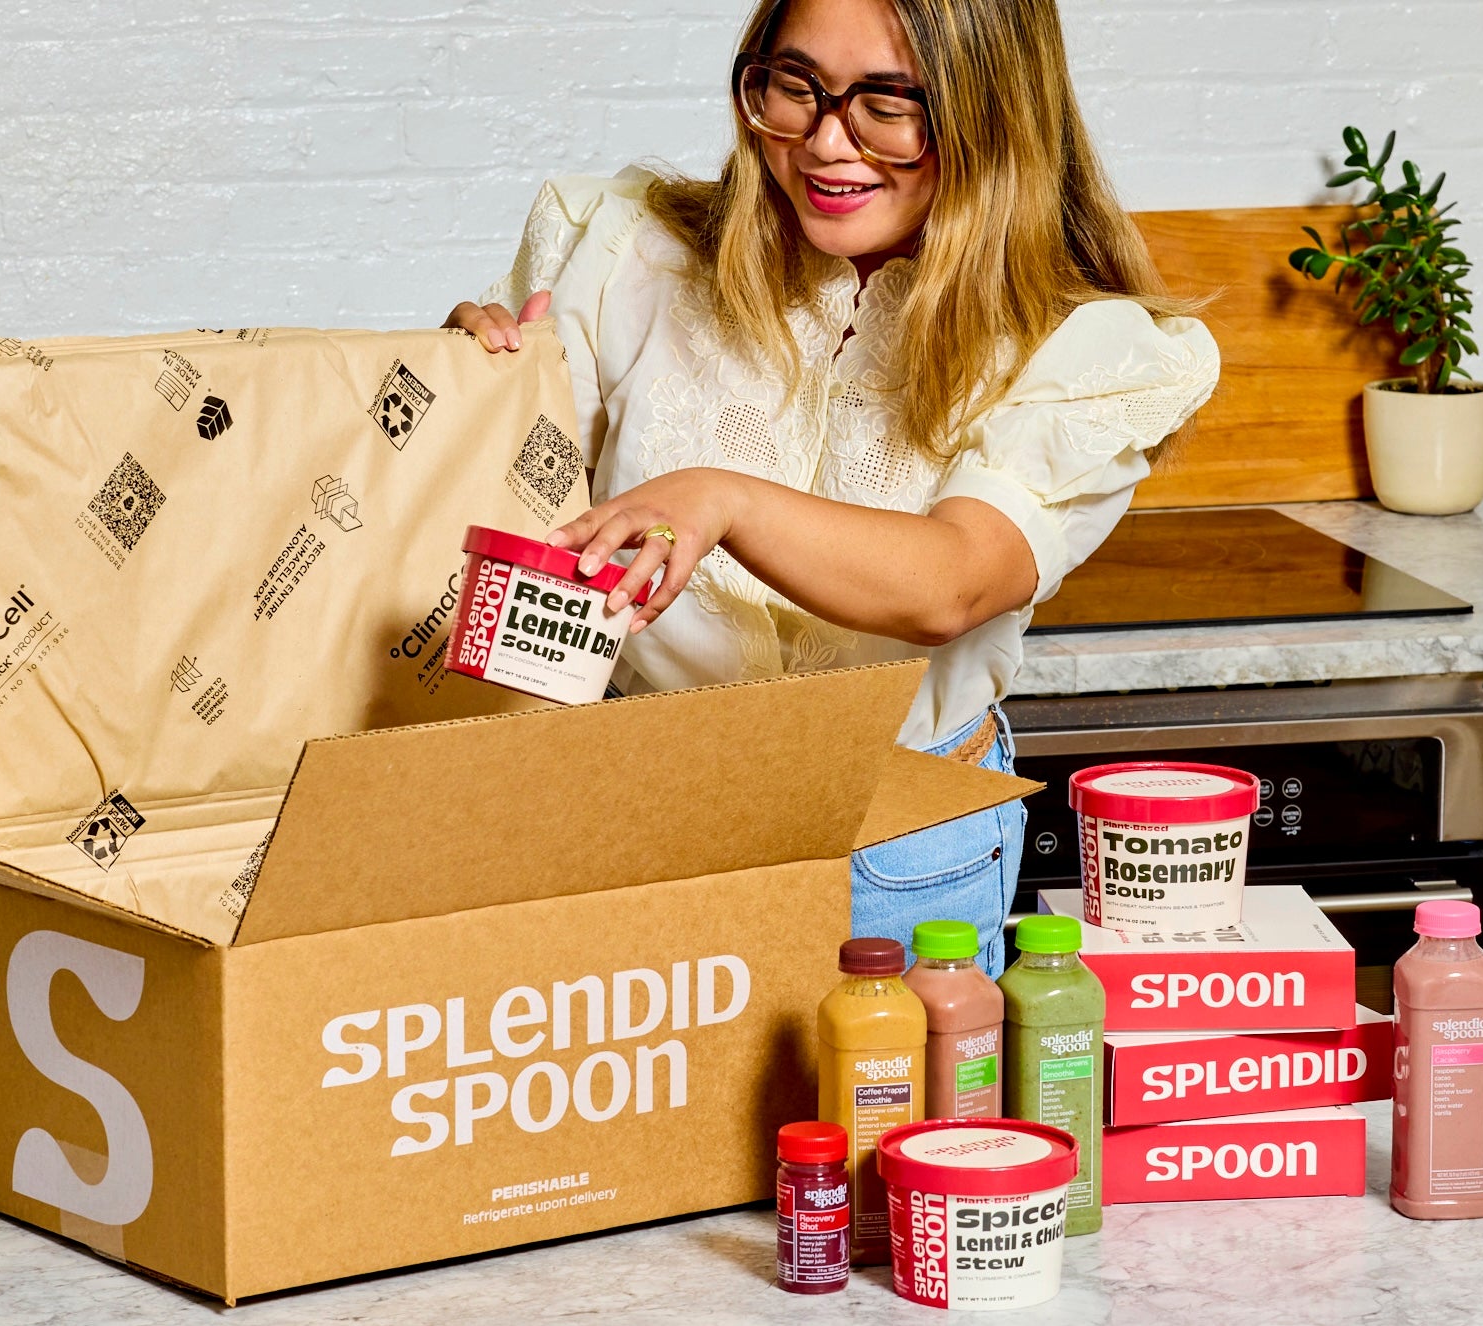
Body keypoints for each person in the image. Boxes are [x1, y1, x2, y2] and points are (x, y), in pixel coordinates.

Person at [445, 0, 1219, 977]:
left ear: (991, 112)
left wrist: (726, 500)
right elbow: (516, 535)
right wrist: (464, 392)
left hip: (894, 852)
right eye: (794, 85)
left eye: (886, 106)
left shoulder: (1079, 346)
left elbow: (955, 579)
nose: (822, 142)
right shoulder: (622, 253)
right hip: (634, 819)